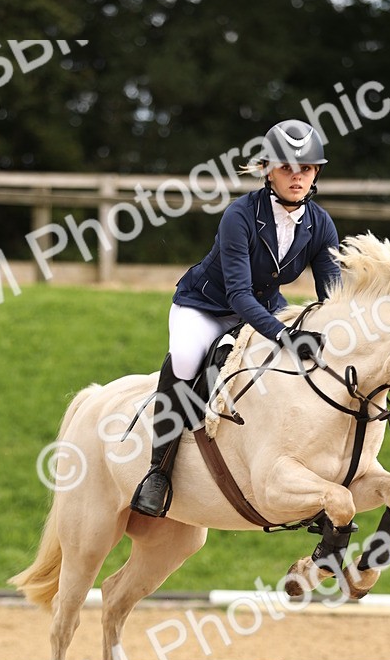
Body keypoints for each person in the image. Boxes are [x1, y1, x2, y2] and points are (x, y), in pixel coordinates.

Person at [130, 118, 342, 517]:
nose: (297, 178)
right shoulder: (240, 215)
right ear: (268, 170)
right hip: (206, 306)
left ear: (316, 174)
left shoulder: (320, 224)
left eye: (307, 169)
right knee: (188, 360)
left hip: (262, 307)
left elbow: (333, 296)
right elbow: (239, 295)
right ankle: (157, 473)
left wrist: (335, 333)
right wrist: (284, 335)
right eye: (287, 168)